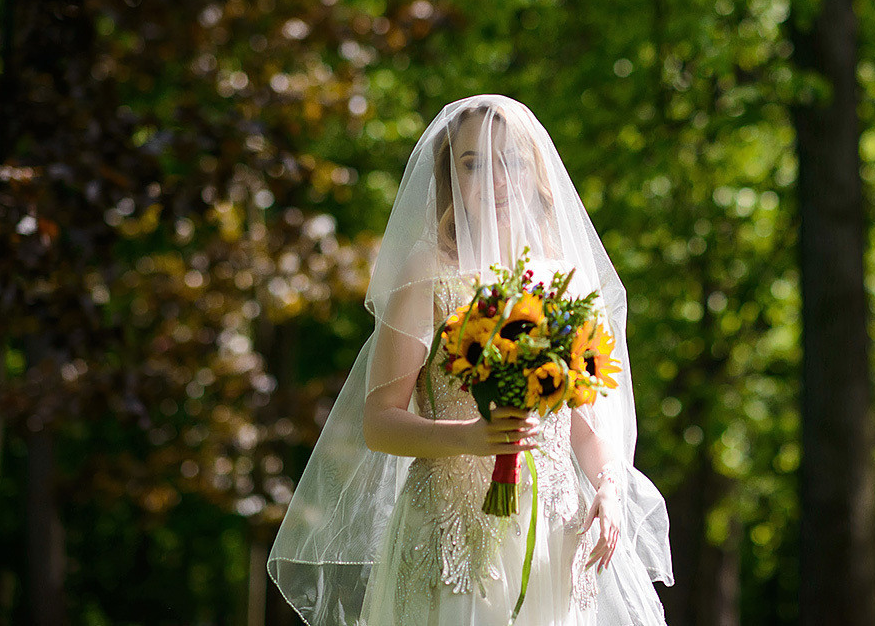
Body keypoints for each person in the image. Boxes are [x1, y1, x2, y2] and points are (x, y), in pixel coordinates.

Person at [268, 94, 672, 626]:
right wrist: (466, 437)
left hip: (553, 534)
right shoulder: (428, 273)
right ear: (450, 175)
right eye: (473, 163)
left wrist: (610, 489)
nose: (496, 178)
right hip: (450, 535)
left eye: (511, 161)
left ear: (535, 173)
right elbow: (378, 421)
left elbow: (585, 424)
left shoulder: (562, 281)